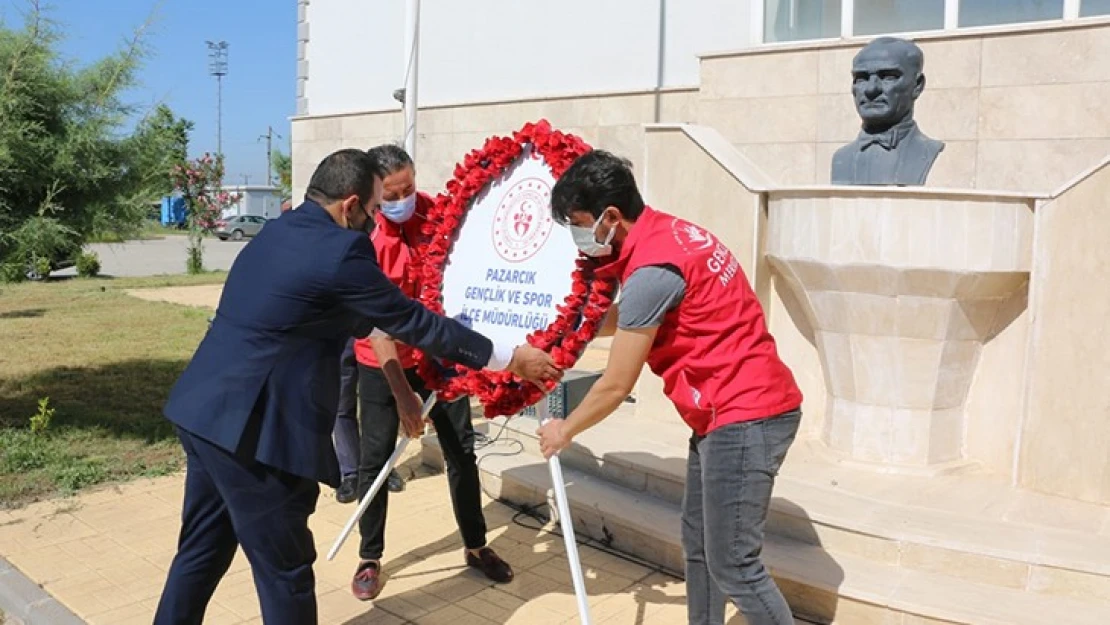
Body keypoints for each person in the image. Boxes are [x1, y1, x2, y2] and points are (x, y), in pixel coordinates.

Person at [154, 148, 559, 625]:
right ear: (349, 206)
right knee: (285, 571)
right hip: (255, 431)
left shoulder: (277, 231)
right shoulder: (341, 250)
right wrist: (509, 356)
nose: (375, 221)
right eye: (372, 210)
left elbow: (340, 314)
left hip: (203, 413)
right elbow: (412, 322)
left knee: (201, 549)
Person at [536, 150, 803, 625]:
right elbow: (638, 314)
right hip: (725, 412)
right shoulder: (668, 235)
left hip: (745, 414)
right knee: (699, 543)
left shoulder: (652, 270)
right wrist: (568, 331)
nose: (578, 240)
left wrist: (565, 430)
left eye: (579, 225)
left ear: (611, 217)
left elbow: (616, 384)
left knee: (735, 565)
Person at [348, 144, 513, 601]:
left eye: (409, 187)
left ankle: (476, 546)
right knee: (376, 460)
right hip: (383, 363)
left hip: (440, 356)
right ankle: (370, 556)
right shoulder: (366, 242)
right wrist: (403, 395)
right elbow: (379, 330)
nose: (403, 199)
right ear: (376, 193)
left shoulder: (438, 215)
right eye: (392, 193)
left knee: (462, 452)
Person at [830, 36, 945, 186]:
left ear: (917, 86)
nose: (872, 89)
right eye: (861, 78)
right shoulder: (841, 158)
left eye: (888, 77)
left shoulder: (928, 152)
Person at [332, 338, 404, 504]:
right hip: (340, 331)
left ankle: (383, 466)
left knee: (378, 405)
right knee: (342, 405)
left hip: (373, 334)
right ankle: (351, 473)